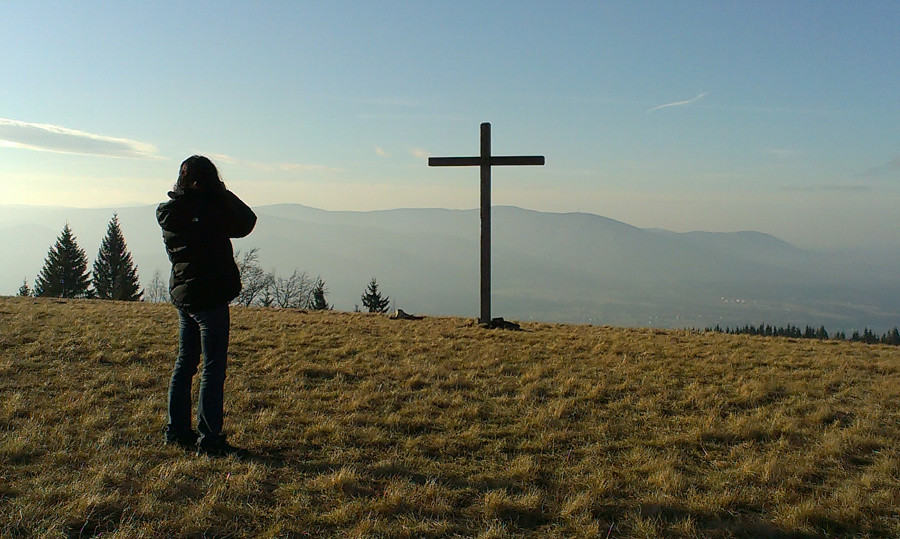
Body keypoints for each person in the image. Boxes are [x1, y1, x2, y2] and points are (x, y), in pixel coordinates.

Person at [157, 155, 257, 456]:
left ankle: (176, 431)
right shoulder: (213, 210)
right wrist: (222, 192)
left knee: (185, 363)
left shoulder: (170, 211)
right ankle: (210, 439)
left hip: (184, 295)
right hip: (210, 297)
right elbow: (247, 221)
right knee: (213, 368)